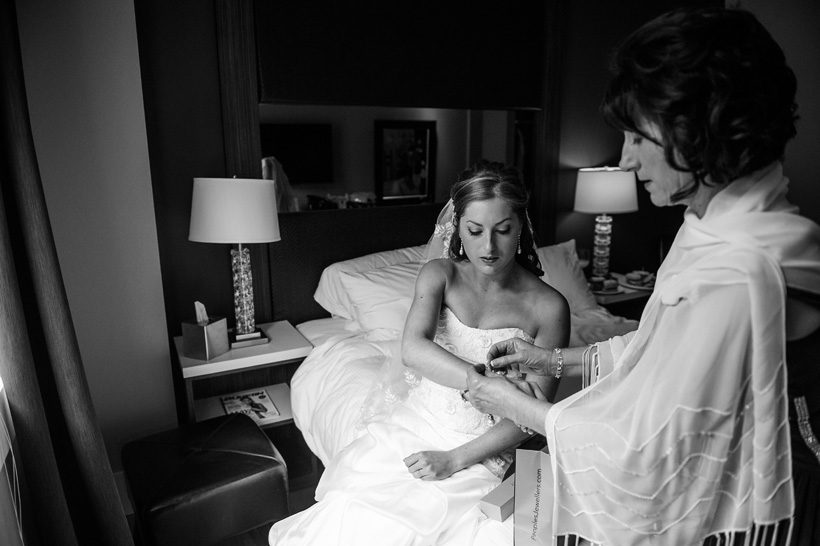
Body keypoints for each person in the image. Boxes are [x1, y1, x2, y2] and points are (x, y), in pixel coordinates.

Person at [465, 7, 820, 545]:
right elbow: (664, 350)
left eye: (637, 135)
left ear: (696, 130)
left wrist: (513, 405)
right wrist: (553, 360)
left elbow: (647, 452)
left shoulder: (742, 271)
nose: (627, 159)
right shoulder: (710, 226)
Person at [268, 161, 569, 545]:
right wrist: (483, 382)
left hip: (490, 448)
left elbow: (533, 414)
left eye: (503, 230)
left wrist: (456, 459)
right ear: (458, 227)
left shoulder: (550, 307)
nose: (488, 247)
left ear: (521, 226)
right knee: (366, 520)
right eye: (475, 231)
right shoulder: (440, 275)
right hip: (418, 426)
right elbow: (412, 349)